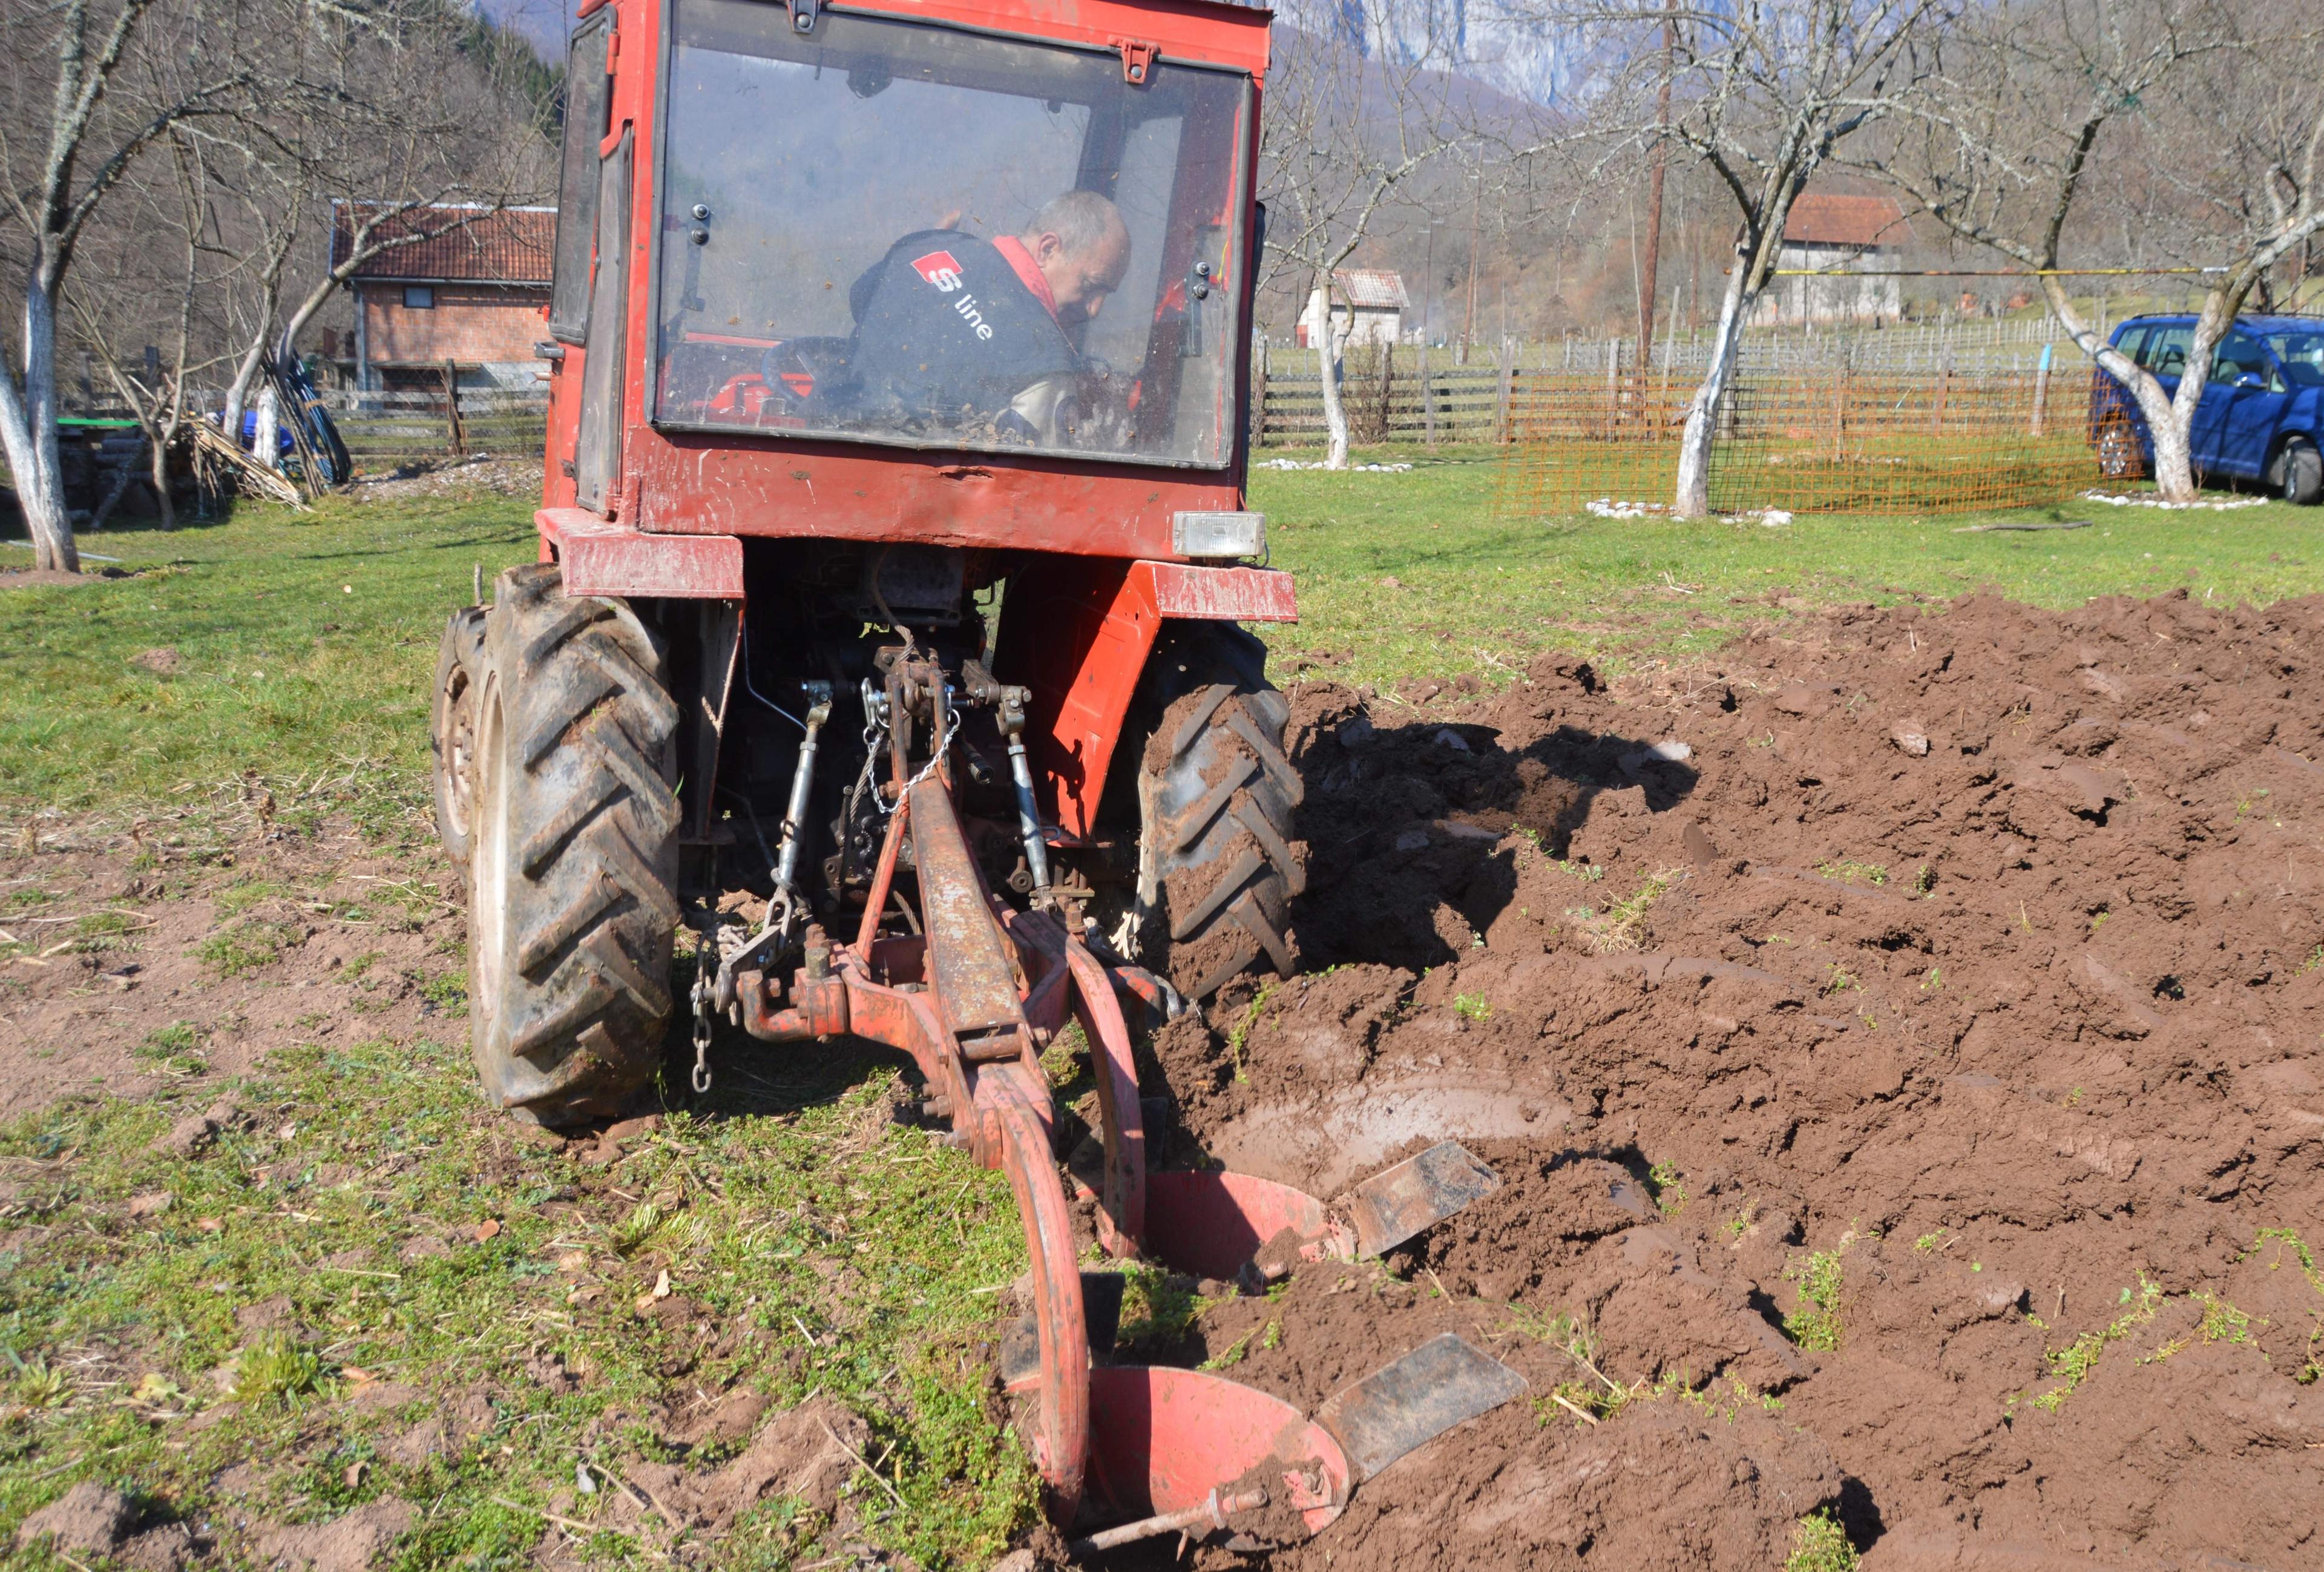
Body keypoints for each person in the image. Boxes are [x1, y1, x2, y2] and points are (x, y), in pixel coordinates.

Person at [845, 190, 1130, 439]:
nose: (1095, 309)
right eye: (1092, 287)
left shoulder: (928, 245)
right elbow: (1035, 483)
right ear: (1048, 249)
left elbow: (859, 299)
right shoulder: (1044, 362)